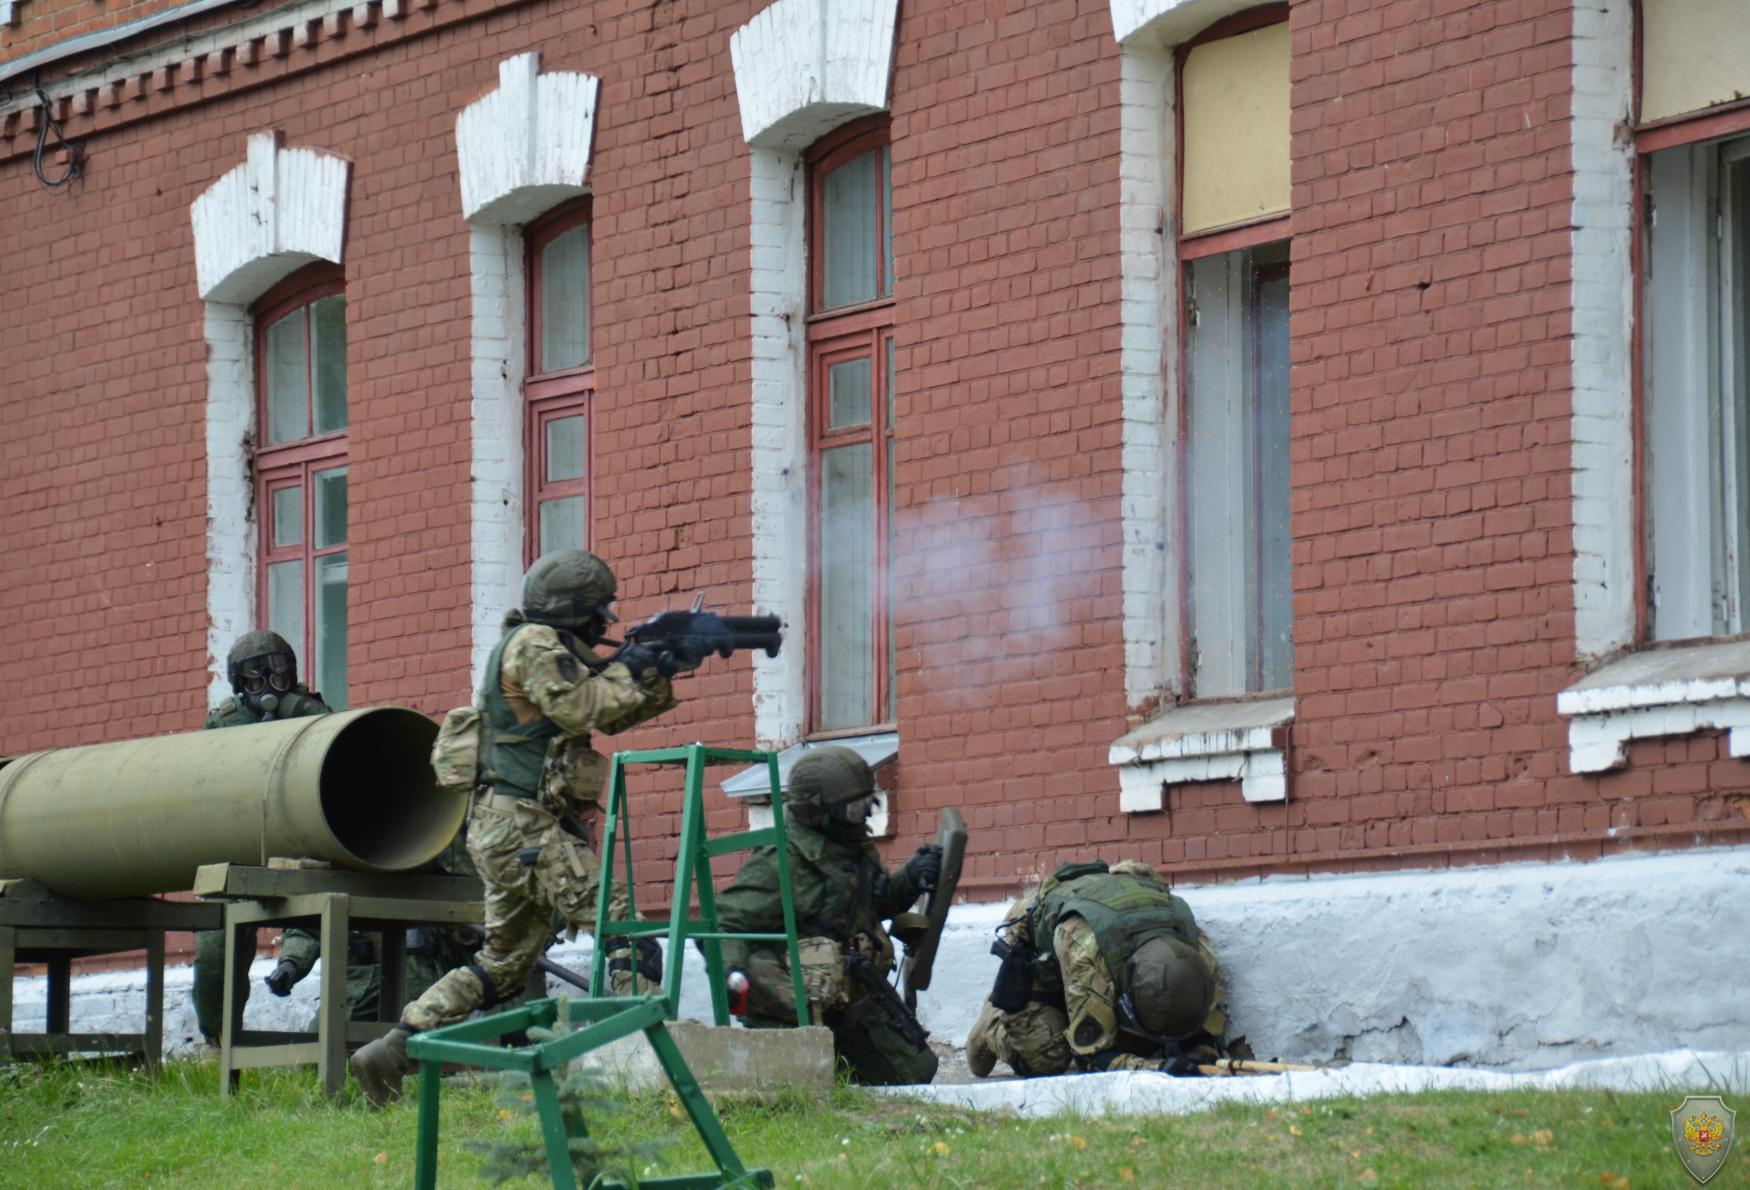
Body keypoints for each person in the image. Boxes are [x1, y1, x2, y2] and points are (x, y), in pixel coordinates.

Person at [349, 548, 690, 1106]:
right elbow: (586, 709)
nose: (606, 623)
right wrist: (641, 664)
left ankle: (392, 1049)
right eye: (600, 611)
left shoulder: (541, 648)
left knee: (502, 964)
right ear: (574, 611)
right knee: (621, 924)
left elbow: (610, 710)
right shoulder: (534, 645)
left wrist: (659, 669)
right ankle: (647, 1060)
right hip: (524, 828)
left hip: (506, 829)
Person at [712, 746, 942, 1086]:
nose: (862, 816)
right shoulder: (782, 863)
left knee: (916, 1071)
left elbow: (875, 905)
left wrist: (912, 876)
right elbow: (725, 923)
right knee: (808, 1085)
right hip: (794, 1008)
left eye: (866, 804)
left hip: (852, 995)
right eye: (853, 808)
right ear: (819, 813)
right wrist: (731, 976)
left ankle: (835, 1062)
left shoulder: (854, 849)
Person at [964, 858, 1234, 1079]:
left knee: (1139, 1043)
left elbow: (1205, 1029)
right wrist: (1156, 1070)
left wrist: (1202, 1053)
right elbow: (1093, 1057)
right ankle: (993, 1022)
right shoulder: (1086, 952)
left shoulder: (1195, 952)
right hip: (1040, 951)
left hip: (1101, 948)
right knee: (1047, 1060)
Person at [190, 631, 331, 1046]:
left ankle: (325, 1030)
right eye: (255, 682)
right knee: (217, 951)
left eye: (278, 680)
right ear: (240, 685)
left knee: (326, 924)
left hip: (300, 848)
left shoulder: (312, 713)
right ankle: (219, 1043)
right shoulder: (224, 724)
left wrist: (307, 714)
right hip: (237, 849)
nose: (268, 692)